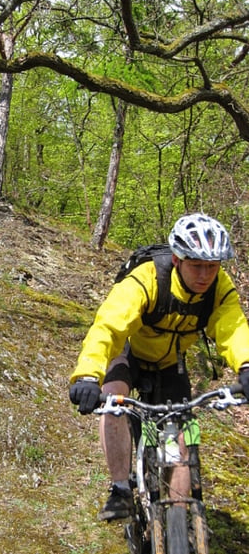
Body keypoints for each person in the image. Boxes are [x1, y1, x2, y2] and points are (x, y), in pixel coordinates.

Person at [69, 213, 249, 521]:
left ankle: (180, 520)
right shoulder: (146, 279)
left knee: (180, 438)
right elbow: (109, 327)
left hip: (169, 362)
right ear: (178, 260)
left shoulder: (219, 288)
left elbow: (233, 328)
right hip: (129, 353)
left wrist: (246, 365)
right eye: (197, 265)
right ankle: (121, 489)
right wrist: (88, 375)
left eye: (212, 266)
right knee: (114, 401)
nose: (205, 275)